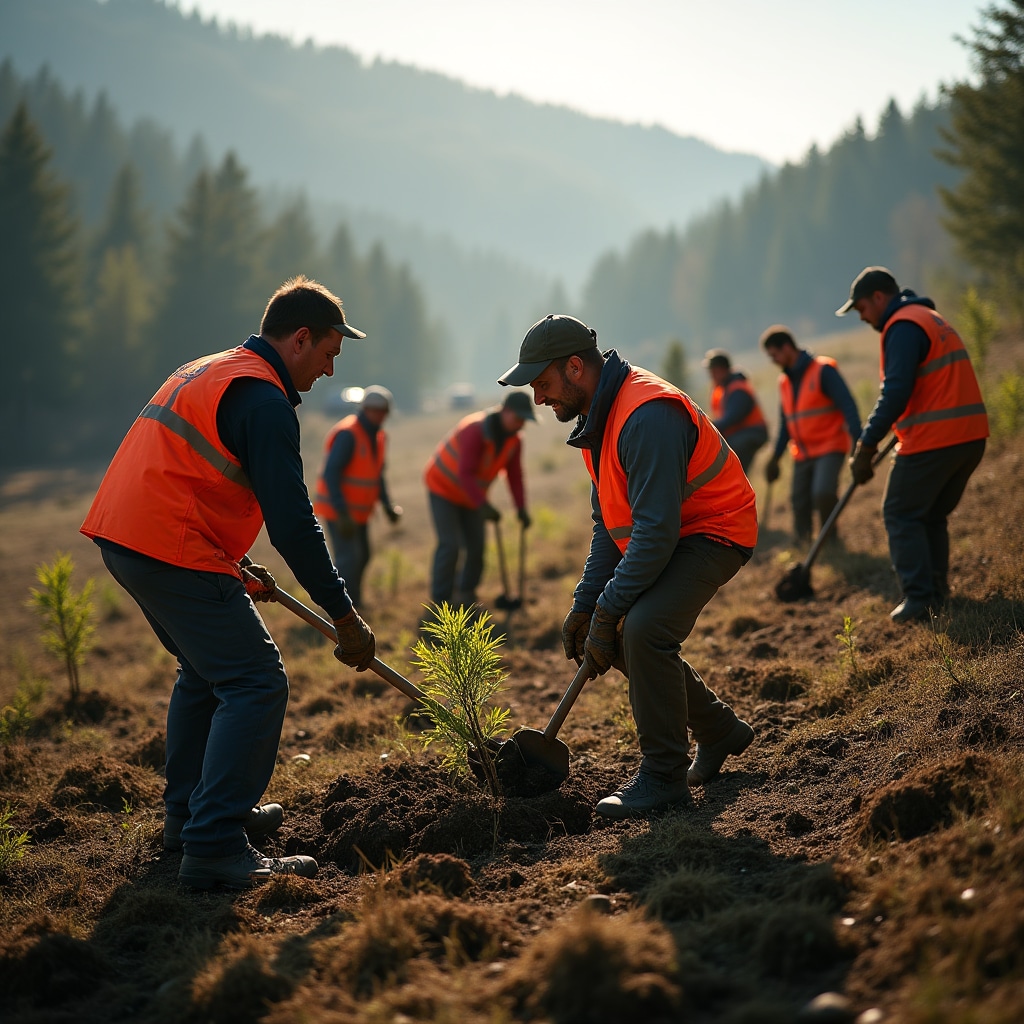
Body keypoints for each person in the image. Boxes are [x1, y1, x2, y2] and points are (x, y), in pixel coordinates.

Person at [80, 276, 377, 890]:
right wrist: (344, 615)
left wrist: (232, 561)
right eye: (329, 354)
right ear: (300, 339)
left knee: (206, 673)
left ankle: (190, 818)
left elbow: (186, 471)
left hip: (129, 537)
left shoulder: (211, 369)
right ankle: (214, 844)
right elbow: (294, 524)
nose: (328, 370)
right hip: (169, 546)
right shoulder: (264, 401)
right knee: (254, 679)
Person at [499, 314, 757, 819]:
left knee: (643, 628)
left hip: (715, 530)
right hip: (673, 535)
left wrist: (609, 608)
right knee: (622, 630)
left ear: (575, 367)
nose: (538, 398)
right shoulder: (601, 419)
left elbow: (655, 536)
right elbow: (611, 528)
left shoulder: (646, 416)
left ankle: (663, 777)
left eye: (543, 384)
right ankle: (720, 731)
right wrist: (585, 605)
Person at [837, 266, 989, 623]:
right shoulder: (929, 318)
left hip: (935, 441)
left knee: (901, 513)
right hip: (969, 436)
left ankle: (921, 599)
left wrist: (866, 445)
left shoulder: (902, 326)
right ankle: (936, 592)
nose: (861, 317)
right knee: (930, 515)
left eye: (861, 308)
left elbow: (896, 392)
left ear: (878, 297)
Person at [424, 390, 534, 608]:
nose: (521, 424)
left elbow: (514, 476)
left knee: (477, 547)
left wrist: (521, 508)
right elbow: (465, 473)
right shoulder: (474, 430)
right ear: (505, 411)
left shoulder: (514, 440)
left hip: (472, 495)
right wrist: (483, 505)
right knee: (450, 545)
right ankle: (440, 601)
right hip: (443, 488)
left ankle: (466, 594)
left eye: (525, 420)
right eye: (519, 418)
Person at [761, 326, 862, 544]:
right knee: (799, 500)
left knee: (823, 493)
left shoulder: (823, 370)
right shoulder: (785, 381)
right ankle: (804, 543)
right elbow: (786, 424)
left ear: (787, 347)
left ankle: (830, 540)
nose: (773, 360)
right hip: (803, 452)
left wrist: (859, 439)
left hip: (830, 446)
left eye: (774, 354)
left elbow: (848, 405)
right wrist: (775, 457)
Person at [313, 385, 402, 606]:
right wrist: (342, 513)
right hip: (340, 511)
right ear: (366, 409)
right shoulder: (348, 434)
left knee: (363, 556)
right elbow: (331, 474)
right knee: (348, 560)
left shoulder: (379, 437)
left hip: (359, 512)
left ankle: (354, 604)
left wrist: (387, 505)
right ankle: (342, 612)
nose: (381, 416)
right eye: (377, 411)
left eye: (384, 412)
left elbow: (376, 474)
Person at [702, 348, 769, 473]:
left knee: (729, 456)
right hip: (740, 433)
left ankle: (738, 486)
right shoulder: (722, 389)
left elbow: (732, 418)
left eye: (713, 370)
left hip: (752, 433)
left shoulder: (737, 389)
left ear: (721, 369)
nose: (711, 374)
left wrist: (707, 428)